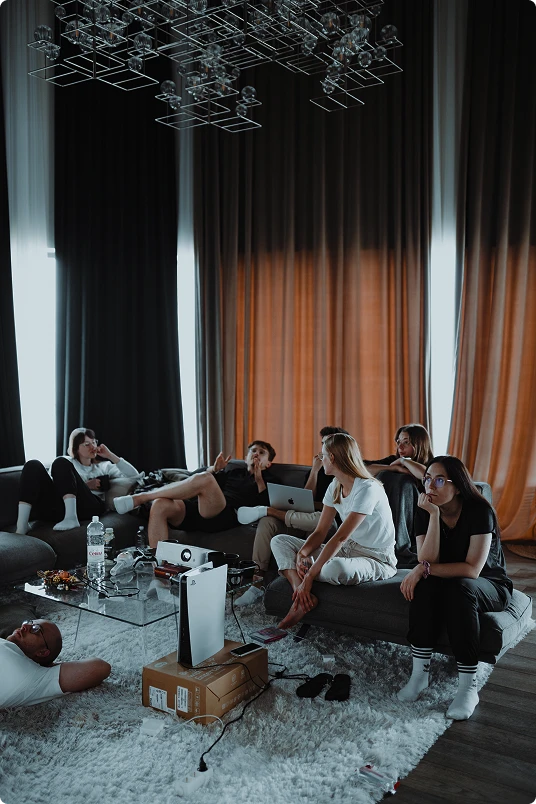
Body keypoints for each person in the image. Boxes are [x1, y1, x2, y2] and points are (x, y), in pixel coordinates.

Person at [397, 456, 513, 720]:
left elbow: (472, 569)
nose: (430, 486)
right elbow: (428, 560)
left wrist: (421, 569)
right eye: (427, 479)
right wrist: (434, 516)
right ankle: (419, 676)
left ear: (458, 486)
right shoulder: (425, 509)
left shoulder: (479, 511)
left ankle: (467, 688)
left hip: (489, 584)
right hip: (447, 578)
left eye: (439, 480)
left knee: (460, 588)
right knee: (425, 587)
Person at [270, 433, 397, 629]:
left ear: (333, 458)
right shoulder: (335, 486)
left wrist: (310, 574)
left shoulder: (367, 488)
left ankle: (302, 586)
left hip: (376, 558)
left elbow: (339, 537)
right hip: (347, 549)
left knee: (334, 568)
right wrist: (302, 553)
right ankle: (300, 595)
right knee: (279, 541)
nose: (321, 460)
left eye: (323, 456)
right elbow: (321, 531)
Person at [234, 426, 349, 607]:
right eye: (323, 444)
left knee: (322, 519)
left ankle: (267, 509)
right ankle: (256, 583)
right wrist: (314, 471)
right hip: (302, 520)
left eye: (330, 444)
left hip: (326, 524)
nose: (324, 449)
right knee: (268, 522)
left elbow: (332, 513)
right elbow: (306, 498)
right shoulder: (322, 471)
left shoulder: (346, 475)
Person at [113, 441, 278, 549]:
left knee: (205, 478)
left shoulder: (271, 480)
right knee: (160, 504)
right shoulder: (234, 471)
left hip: (224, 515)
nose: (256, 454)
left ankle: (141, 498)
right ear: (246, 457)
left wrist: (258, 479)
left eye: (261, 452)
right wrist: (215, 469)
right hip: (198, 510)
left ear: (269, 463)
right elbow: (194, 479)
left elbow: (267, 505)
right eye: (253, 451)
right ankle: (159, 570)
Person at [16, 428, 139, 534]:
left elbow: (134, 475)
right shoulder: (67, 463)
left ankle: (71, 518)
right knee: (33, 464)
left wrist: (110, 455)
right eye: (87, 444)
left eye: (94, 442)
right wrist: (86, 484)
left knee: (61, 462)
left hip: (89, 507)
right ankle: (22, 524)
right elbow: (51, 486)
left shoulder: (103, 466)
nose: (93, 447)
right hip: (59, 507)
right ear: (76, 448)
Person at [1, 618, 111, 709]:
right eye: (29, 622)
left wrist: (48, 667)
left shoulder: (35, 677)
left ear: (43, 652)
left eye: (35, 629)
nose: (25, 627)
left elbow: (100, 667)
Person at [366, 423, 433, 482]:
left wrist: (403, 460)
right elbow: (362, 469)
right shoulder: (394, 460)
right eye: (399, 442)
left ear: (419, 445)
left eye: (406, 442)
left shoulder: (433, 464)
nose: (400, 447)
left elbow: (426, 476)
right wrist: (395, 468)